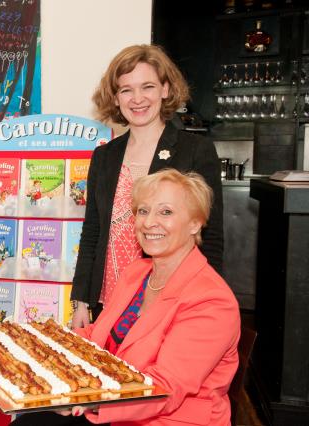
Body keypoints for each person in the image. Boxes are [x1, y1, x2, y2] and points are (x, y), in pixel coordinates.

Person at [12, 169, 240, 426]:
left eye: (166, 212)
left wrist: (86, 401)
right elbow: (97, 339)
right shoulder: (137, 273)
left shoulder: (211, 301)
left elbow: (165, 388)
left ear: (195, 223)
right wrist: (34, 343)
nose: (149, 222)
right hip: (114, 404)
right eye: (143, 211)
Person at [71, 44, 224, 328]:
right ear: (115, 98)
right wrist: (80, 300)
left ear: (165, 89)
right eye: (126, 90)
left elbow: (210, 236)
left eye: (148, 87)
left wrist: (204, 307)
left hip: (169, 301)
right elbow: (93, 231)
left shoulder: (195, 151)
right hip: (108, 300)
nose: (137, 99)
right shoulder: (104, 156)